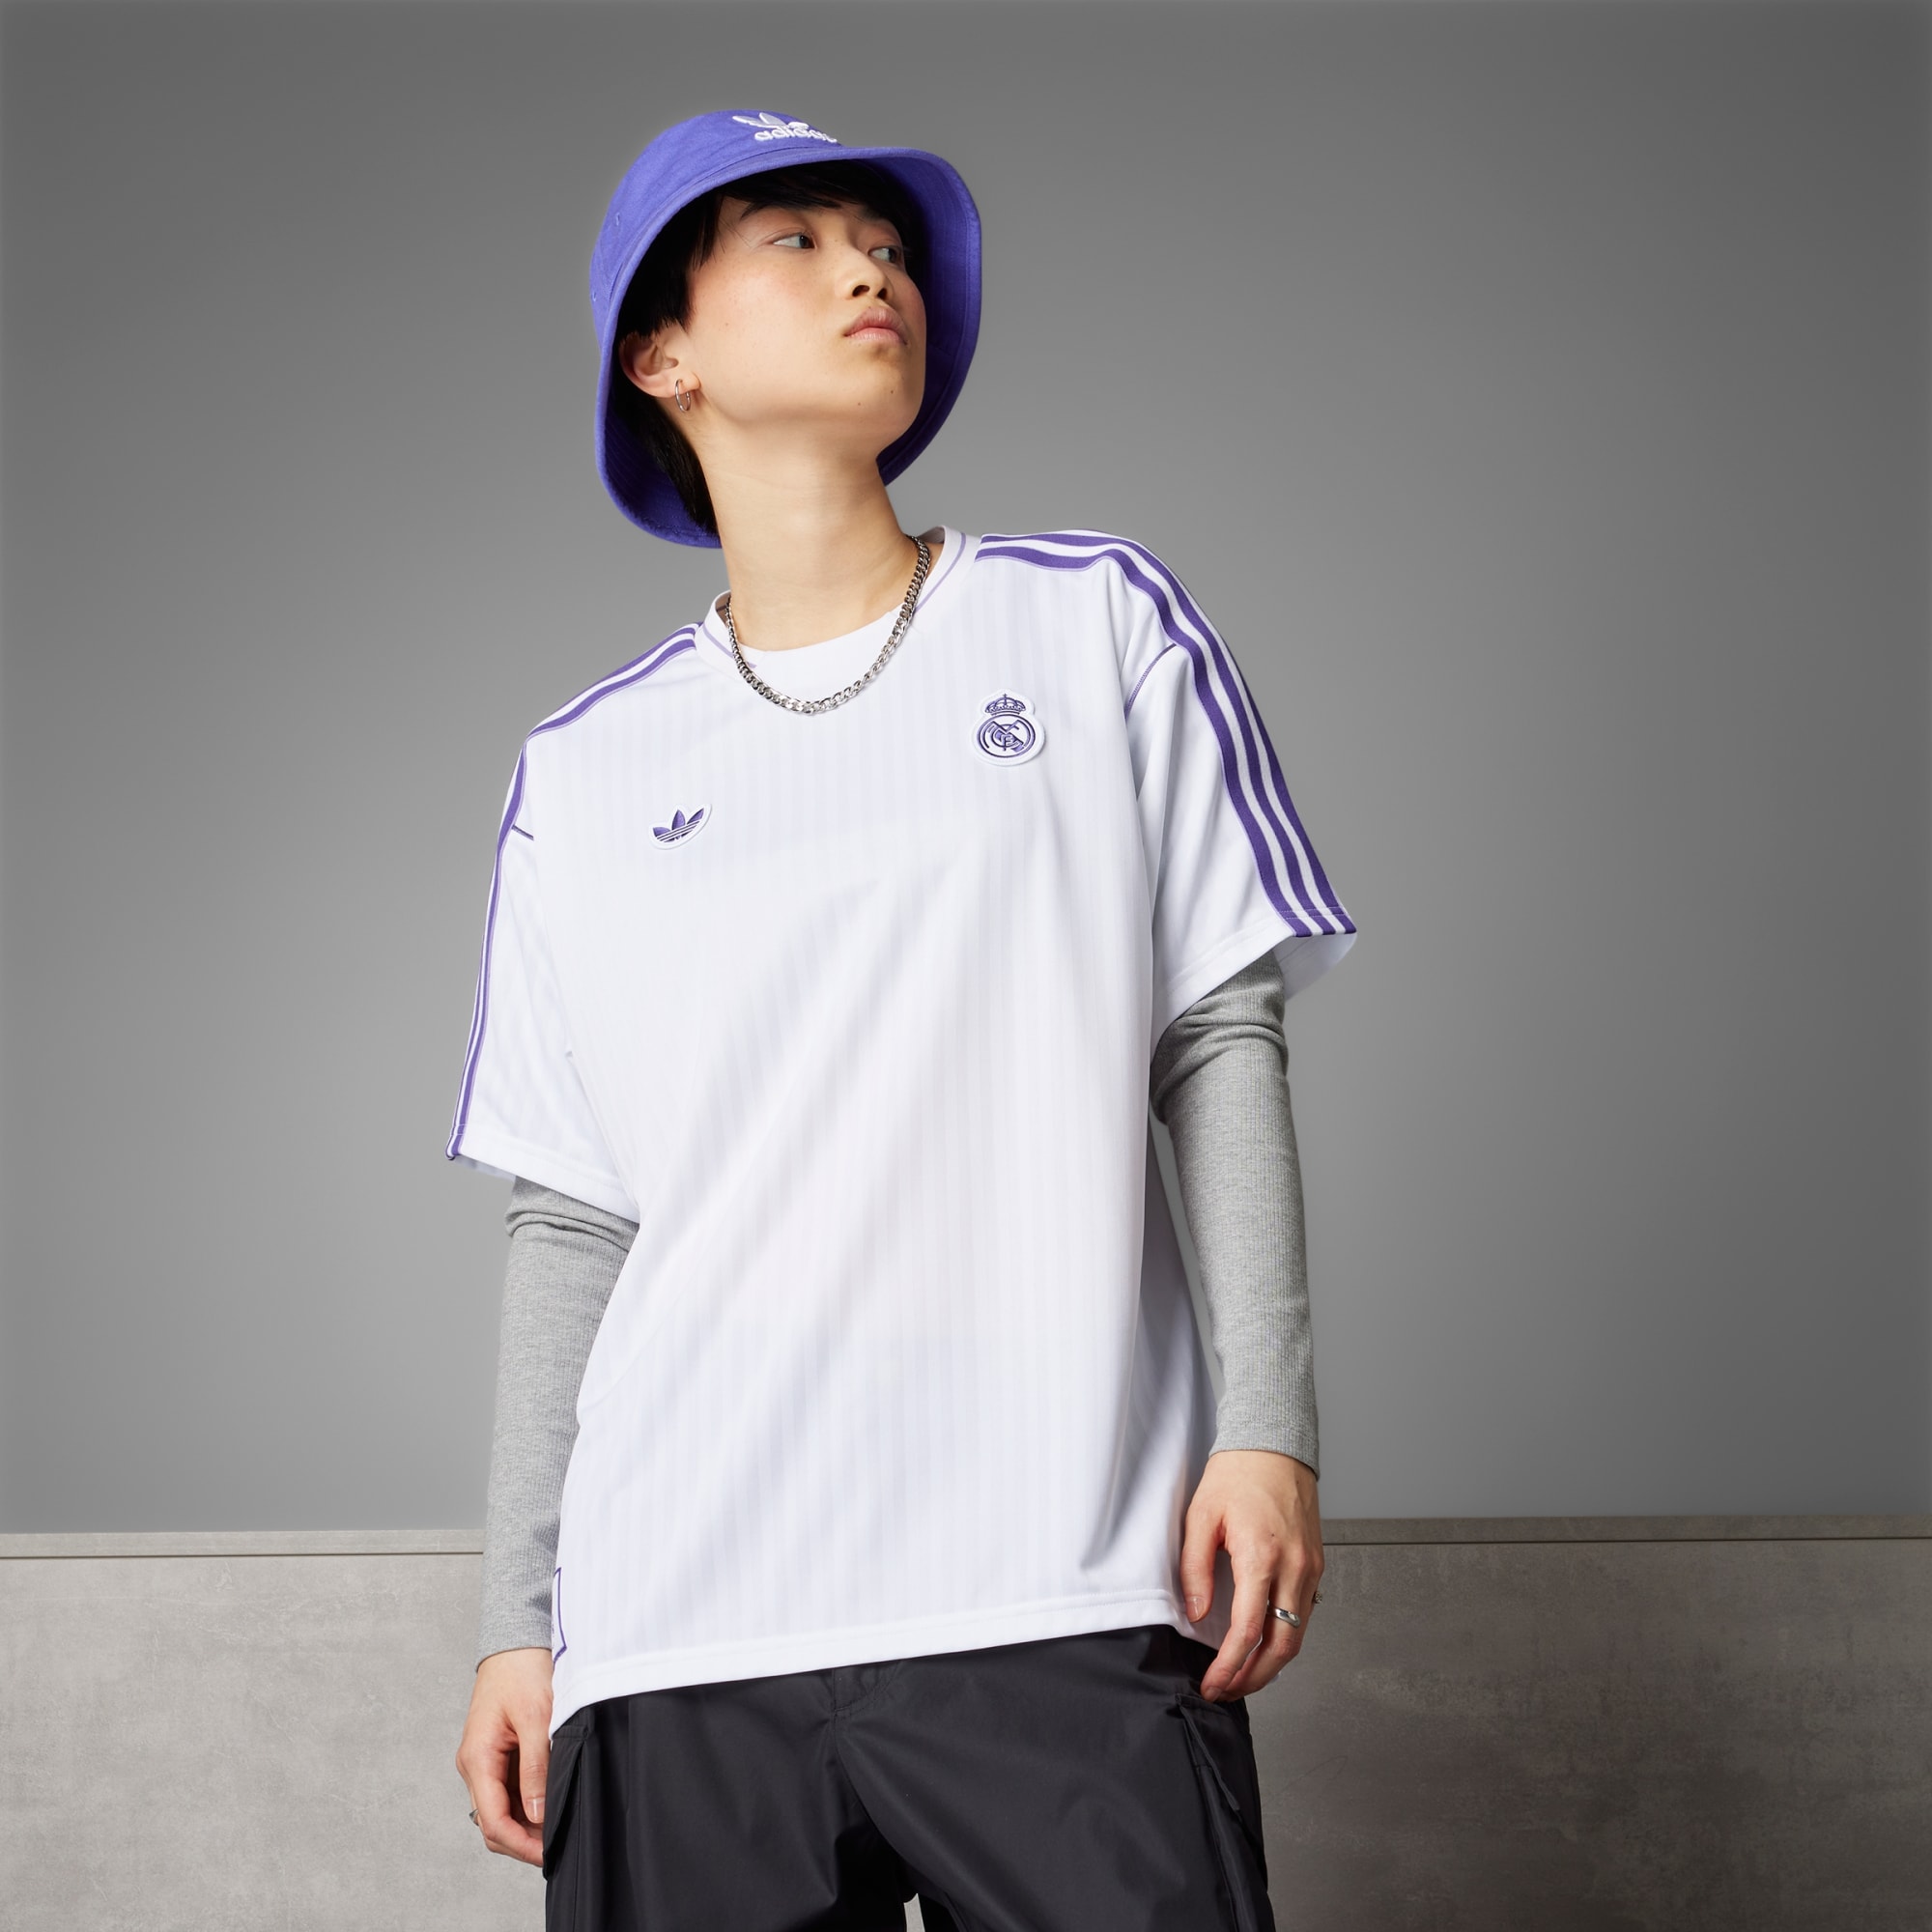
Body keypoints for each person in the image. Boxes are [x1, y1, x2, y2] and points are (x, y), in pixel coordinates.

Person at [449, 107, 1356, 1931]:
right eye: (793, 238)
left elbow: (1214, 1038)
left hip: (1060, 1574)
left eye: (883, 241)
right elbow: (575, 1213)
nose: (871, 267)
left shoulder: (1096, 625)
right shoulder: (584, 768)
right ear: (662, 352)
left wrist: (1270, 1426)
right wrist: (518, 1619)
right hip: (679, 1619)